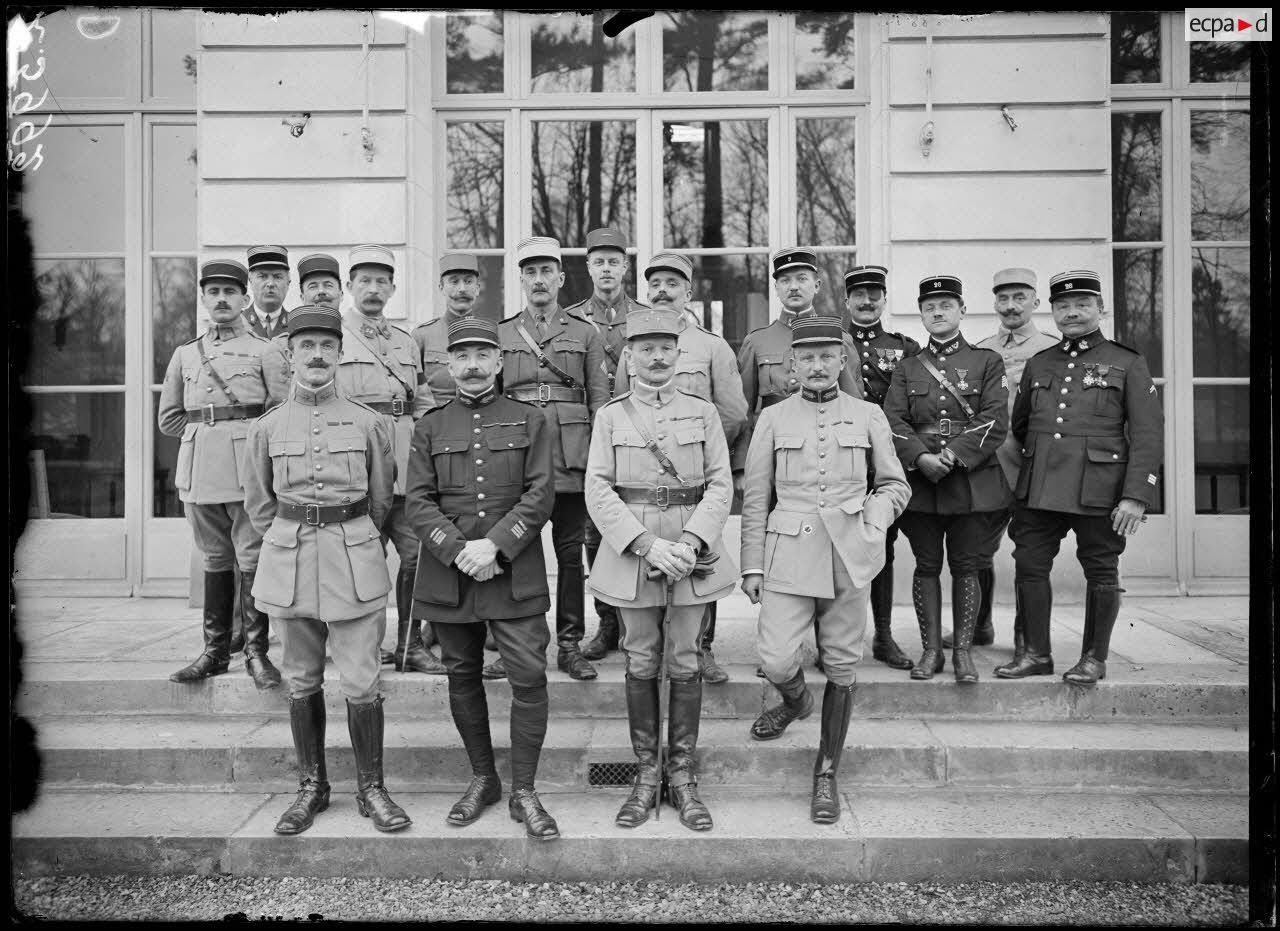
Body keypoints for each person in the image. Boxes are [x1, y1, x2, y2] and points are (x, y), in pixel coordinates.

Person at [242, 303, 411, 835]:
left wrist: (351, 535)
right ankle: (311, 788)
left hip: (354, 559)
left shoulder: (371, 423)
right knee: (300, 679)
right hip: (291, 562)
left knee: (362, 681)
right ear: (289, 356)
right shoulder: (265, 428)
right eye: (306, 347)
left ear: (340, 354)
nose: (317, 355)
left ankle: (372, 788)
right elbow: (259, 505)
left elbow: (381, 500)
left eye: (327, 347)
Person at [740, 316, 909, 824]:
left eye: (826, 357)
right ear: (792, 365)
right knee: (774, 658)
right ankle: (794, 701)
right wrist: (751, 565)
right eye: (807, 358)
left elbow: (894, 484)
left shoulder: (868, 415)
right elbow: (755, 496)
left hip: (848, 556)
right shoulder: (772, 418)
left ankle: (826, 774)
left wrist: (872, 521)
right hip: (788, 553)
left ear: (842, 361)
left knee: (841, 664)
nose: (817, 366)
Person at [405, 315, 561, 840]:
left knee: (529, 677)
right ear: (448, 366)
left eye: (482, 356)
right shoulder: (429, 426)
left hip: (512, 569)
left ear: (498, 362)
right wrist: (457, 550)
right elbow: (418, 502)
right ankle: (482, 779)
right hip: (450, 576)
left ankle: (525, 790)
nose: (472, 366)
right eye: (461, 357)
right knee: (462, 675)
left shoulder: (531, 419)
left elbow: (540, 494)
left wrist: (496, 544)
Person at [585, 307, 739, 831]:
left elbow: (721, 484)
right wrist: (646, 544)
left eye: (665, 348)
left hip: (692, 554)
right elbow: (598, 488)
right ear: (628, 356)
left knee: (687, 659)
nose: (656, 356)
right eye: (645, 348)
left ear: (679, 353)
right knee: (641, 656)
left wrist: (692, 540)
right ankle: (646, 773)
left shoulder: (703, 411)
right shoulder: (611, 416)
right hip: (635, 554)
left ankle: (683, 775)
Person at [999, 270, 1163, 685]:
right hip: (1039, 488)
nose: (1071, 312)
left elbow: (1147, 433)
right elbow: (1020, 426)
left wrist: (1135, 496)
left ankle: (1094, 658)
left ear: (1099, 308)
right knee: (1029, 566)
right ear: (1052, 311)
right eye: (1063, 306)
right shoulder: (1041, 362)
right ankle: (1035, 653)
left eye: (1082, 304)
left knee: (1102, 570)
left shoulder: (1126, 361)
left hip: (1099, 488)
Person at [613, 252, 748, 683]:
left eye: (673, 283)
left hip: (695, 482)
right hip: (643, 488)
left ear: (689, 291)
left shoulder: (712, 346)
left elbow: (733, 412)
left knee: (700, 568)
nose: (663, 291)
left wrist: (699, 460)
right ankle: (641, 647)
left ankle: (701, 649)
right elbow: (620, 408)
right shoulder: (632, 349)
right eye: (655, 284)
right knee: (640, 569)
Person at [160, 258, 290, 690]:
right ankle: (214, 653)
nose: (221, 299)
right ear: (203, 298)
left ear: (244, 297)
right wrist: (204, 435)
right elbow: (170, 419)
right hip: (199, 474)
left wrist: (243, 438)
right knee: (215, 559)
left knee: (252, 559)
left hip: (246, 473)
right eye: (213, 292)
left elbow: (281, 413)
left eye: (229, 292)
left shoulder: (265, 350)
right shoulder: (185, 354)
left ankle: (256, 653)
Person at [737, 248, 865, 677]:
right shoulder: (758, 341)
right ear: (776, 287)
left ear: (817, 285)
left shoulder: (838, 338)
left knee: (827, 554)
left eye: (802, 278)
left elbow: (854, 405)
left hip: (824, 461)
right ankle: (783, 644)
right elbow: (745, 407)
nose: (793, 286)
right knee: (781, 558)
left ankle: (826, 643)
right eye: (785, 279)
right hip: (776, 457)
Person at [882, 275, 1011, 683]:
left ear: (961, 311)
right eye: (930, 307)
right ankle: (931, 652)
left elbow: (996, 419)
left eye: (946, 306)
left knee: (967, 566)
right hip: (922, 482)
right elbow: (892, 419)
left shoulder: (987, 361)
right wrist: (920, 457)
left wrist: (953, 454)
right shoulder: (906, 368)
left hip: (969, 481)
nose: (938, 313)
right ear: (921, 314)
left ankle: (963, 654)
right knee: (926, 565)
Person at [497, 236, 610, 681]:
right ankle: (517, 646)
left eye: (547, 272)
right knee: (515, 552)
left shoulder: (585, 333)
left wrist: (600, 461)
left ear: (561, 279)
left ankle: (569, 645)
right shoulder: (502, 333)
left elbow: (601, 401)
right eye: (531, 272)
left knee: (569, 554)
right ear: (522, 280)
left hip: (570, 457)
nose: (539, 280)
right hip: (519, 455)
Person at [335, 245, 441, 675]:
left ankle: (411, 645)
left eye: (382, 282)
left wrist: (425, 446)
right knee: (363, 560)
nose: (374, 290)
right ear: (350, 287)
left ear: (393, 288)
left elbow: (423, 401)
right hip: (360, 469)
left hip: (405, 469)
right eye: (365, 281)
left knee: (416, 556)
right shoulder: (336, 336)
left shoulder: (404, 341)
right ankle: (365, 647)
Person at [955, 268, 1059, 662]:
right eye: (1004, 299)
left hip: (1033, 466)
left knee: (1029, 555)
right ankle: (979, 626)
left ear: (1035, 302)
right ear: (994, 304)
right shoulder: (981, 350)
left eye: (1020, 298)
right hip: (989, 465)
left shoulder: (1051, 348)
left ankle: (1023, 636)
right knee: (977, 550)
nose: (1011, 306)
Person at [412, 252, 501, 677]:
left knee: (484, 524)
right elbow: (413, 391)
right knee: (442, 531)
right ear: (441, 286)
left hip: (488, 441)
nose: (461, 289)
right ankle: (437, 622)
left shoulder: (494, 334)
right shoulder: (422, 336)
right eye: (453, 281)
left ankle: (491, 624)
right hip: (440, 445)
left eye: (469, 281)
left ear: (479, 287)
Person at [563, 227, 648, 666]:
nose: (607, 269)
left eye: (615, 261)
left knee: (642, 524)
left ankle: (640, 620)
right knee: (595, 534)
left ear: (626, 267)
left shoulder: (645, 316)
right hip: (593, 436)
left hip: (641, 440)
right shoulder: (573, 318)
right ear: (588, 267)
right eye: (599, 262)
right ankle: (608, 620)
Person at [843, 263, 920, 671]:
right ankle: (839, 637)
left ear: (884, 299)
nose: (867, 300)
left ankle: (884, 635)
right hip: (845, 459)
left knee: (884, 551)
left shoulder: (905, 347)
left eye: (875, 293)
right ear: (847, 300)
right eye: (859, 294)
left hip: (888, 460)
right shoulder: (834, 341)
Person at [242, 245, 291, 339]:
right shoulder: (238, 324)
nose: (270, 284)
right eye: (262, 276)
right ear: (250, 280)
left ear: (288, 281)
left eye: (277, 277)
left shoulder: (297, 326)